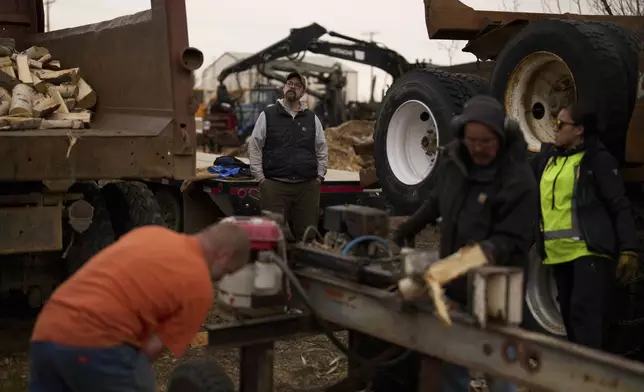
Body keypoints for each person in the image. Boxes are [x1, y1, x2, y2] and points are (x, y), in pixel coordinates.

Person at [392, 95, 538, 392]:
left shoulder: (518, 178)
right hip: (456, 287)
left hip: (496, 289)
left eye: (485, 141)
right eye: (472, 140)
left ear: (500, 135)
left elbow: (514, 239)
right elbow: (437, 200)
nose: (477, 148)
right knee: (452, 359)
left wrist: (475, 256)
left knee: (499, 364)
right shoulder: (454, 161)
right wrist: (411, 225)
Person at [28, 222, 251, 392]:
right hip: (96, 343)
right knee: (140, 376)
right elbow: (149, 351)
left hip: (47, 330)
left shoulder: (152, 234)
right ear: (223, 256)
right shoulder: (199, 288)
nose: (223, 278)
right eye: (229, 271)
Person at [530, 103, 639, 350]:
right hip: (557, 254)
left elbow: (619, 205)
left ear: (579, 130)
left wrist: (629, 249)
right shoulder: (547, 160)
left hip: (589, 251)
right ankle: (579, 373)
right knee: (568, 314)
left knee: (583, 313)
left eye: (561, 124)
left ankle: (590, 378)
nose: (554, 129)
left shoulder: (596, 161)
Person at [248, 72, 328, 241]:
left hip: (306, 188)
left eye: (297, 85)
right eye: (289, 83)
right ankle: (274, 266)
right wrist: (261, 178)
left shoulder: (312, 118)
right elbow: (255, 145)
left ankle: (303, 267)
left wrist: (319, 176)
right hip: (275, 186)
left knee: (307, 236)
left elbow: (321, 148)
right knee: (272, 237)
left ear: (303, 92)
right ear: (284, 87)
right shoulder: (268, 115)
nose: (292, 87)